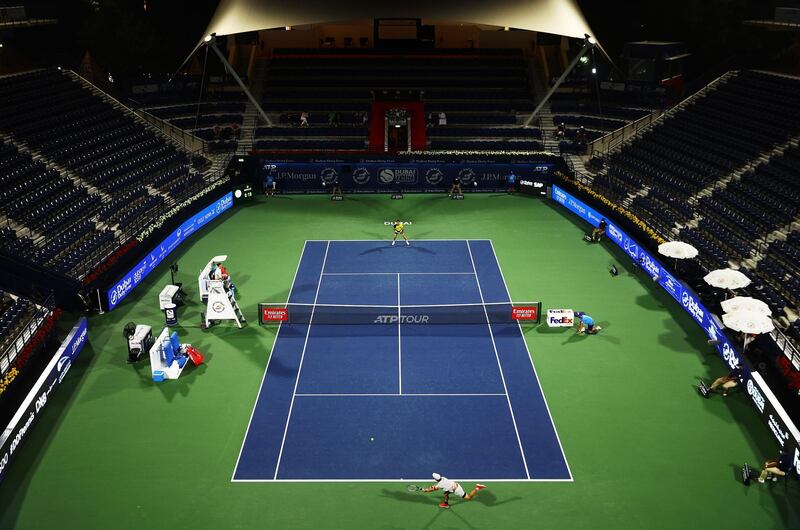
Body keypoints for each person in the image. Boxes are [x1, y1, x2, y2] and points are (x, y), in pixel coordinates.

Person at [421, 473, 486, 508]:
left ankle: (477, 488)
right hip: (455, 484)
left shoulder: (440, 484)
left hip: (457, 490)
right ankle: (446, 504)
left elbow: (432, 489)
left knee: (468, 497)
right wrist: (431, 488)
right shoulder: (443, 478)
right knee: (446, 493)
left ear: (436, 479)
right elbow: (435, 486)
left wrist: (425, 490)